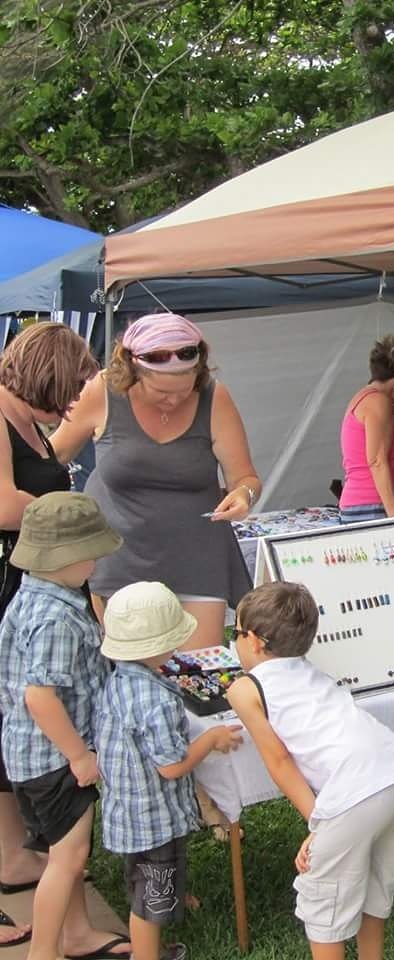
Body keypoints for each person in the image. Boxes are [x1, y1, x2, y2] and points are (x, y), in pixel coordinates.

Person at [226, 582, 394, 960]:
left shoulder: (245, 690)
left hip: (356, 791)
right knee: (374, 889)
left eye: (234, 633)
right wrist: (328, 824)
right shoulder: (311, 672)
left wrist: (318, 824)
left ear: (252, 641)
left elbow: (279, 761)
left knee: (324, 906)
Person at [51, 312, 259, 650]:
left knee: (197, 673)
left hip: (197, 557)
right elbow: (52, 458)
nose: (173, 400)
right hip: (119, 558)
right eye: (162, 391)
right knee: (133, 672)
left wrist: (244, 496)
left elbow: (245, 478)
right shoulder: (101, 392)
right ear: (132, 371)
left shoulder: (214, 397)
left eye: (184, 390)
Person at [0, 321, 99, 946]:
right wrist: (75, 521)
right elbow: (5, 502)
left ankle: (18, 858)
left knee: (13, 722)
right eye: (65, 391)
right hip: (16, 584)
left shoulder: (30, 422)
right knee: (23, 711)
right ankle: (23, 856)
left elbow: (45, 467)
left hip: (35, 578)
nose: (69, 403)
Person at [0, 492, 131, 960]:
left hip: (28, 755)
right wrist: (78, 754)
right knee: (67, 860)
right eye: (91, 554)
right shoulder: (56, 617)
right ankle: (45, 951)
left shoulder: (33, 595)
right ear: (67, 557)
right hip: (55, 760)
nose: (96, 563)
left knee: (65, 856)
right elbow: (40, 695)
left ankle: (76, 935)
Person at [97, 582, 243, 960]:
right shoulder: (157, 700)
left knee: (145, 887)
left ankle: (156, 939)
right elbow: (172, 766)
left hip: (129, 812)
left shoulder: (121, 680)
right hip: (153, 820)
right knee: (151, 899)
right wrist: (210, 739)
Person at [340, 336, 394, 525]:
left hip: (364, 503)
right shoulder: (378, 402)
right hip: (372, 505)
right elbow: (376, 461)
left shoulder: (365, 398)